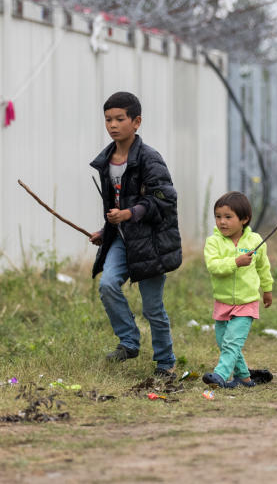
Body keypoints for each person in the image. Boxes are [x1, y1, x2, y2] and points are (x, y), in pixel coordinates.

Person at [89, 91, 182, 378]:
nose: (113, 125)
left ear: (136, 121)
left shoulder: (150, 159)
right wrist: (106, 231)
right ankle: (129, 342)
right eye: (108, 119)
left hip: (150, 243)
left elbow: (165, 200)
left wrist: (129, 214)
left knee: (153, 308)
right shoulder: (106, 161)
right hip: (121, 239)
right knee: (107, 285)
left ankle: (165, 362)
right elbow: (116, 203)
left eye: (120, 119)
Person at [202, 191, 274, 389]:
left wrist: (267, 289)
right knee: (223, 341)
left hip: (246, 302)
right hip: (222, 301)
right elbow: (214, 267)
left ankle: (221, 375)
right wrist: (236, 262)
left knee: (232, 342)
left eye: (228, 217)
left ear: (244, 219)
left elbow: (263, 268)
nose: (222, 222)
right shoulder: (213, 242)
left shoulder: (255, 241)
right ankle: (244, 378)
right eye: (218, 217)